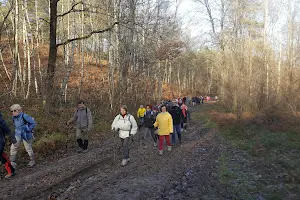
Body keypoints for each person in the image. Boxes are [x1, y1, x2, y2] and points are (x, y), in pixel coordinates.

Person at [0, 112, 17, 178]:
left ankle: (11, 171)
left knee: (1, 155)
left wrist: (13, 140)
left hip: (0, 140)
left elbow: (8, 130)